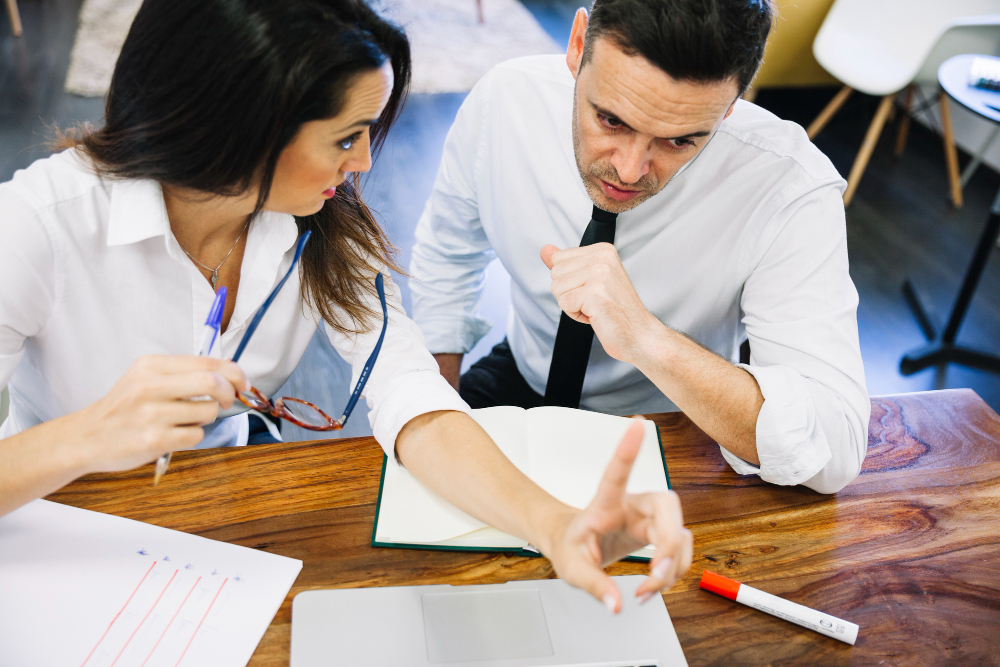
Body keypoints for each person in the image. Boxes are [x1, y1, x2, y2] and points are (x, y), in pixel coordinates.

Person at [0, 0, 692, 611]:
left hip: (214, 513)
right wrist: (90, 433)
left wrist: (554, 523)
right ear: (241, 125)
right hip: (53, 523)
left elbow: (412, 394)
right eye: (343, 137)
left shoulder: (321, 223)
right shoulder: (36, 226)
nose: (362, 161)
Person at [410, 0, 871, 495]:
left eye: (680, 141)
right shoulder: (505, 101)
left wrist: (645, 337)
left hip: (680, 417)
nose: (628, 170)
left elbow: (835, 452)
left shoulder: (788, 186)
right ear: (578, 45)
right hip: (524, 375)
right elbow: (448, 254)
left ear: (731, 105)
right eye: (611, 120)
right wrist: (443, 411)